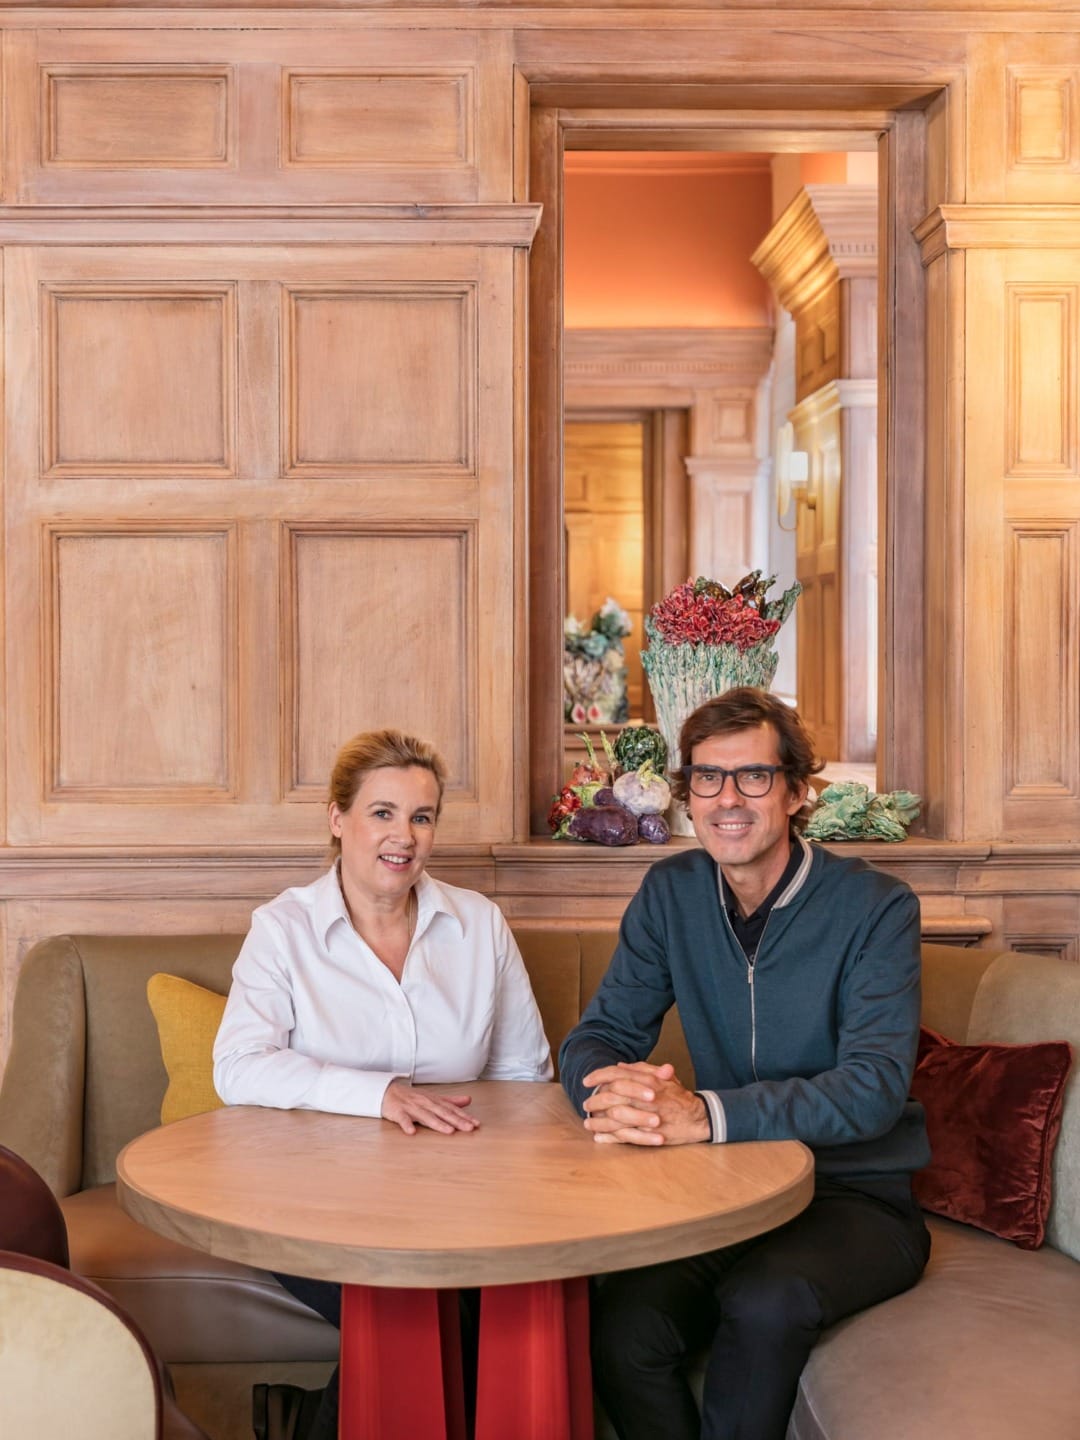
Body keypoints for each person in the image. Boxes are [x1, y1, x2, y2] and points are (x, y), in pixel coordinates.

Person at [558, 687, 931, 1440]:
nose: (728, 799)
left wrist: (704, 1113)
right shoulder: (671, 894)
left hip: (855, 1198)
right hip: (721, 1194)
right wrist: (612, 1092)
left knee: (764, 1304)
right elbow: (595, 1037)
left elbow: (872, 1091)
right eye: (706, 777)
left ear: (796, 792)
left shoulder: (878, 908)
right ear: (686, 793)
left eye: (753, 776)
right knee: (622, 1332)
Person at [214, 727, 552, 1440]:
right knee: (426, 1306)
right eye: (382, 813)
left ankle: (306, 1421)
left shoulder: (480, 926)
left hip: (457, 1207)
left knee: (503, 1299)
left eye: (422, 816)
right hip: (307, 1206)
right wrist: (379, 1094)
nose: (404, 836)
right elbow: (237, 1065)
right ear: (338, 820)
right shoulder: (284, 929)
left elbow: (526, 1076)